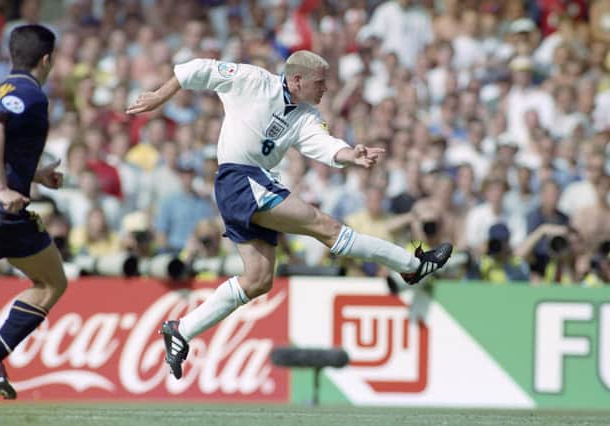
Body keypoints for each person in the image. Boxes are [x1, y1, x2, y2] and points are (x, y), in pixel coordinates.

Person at [127, 50, 453, 380]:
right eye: (320, 83)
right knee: (325, 225)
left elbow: (323, 145)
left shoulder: (306, 115)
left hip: (250, 184)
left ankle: (182, 329)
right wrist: (159, 95)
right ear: (296, 80)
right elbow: (198, 69)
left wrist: (350, 155)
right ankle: (411, 266)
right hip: (241, 179)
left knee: (258, 279)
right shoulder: (253, 81)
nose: (325, 89)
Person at [0, 25, 68, 400]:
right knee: (51, 283)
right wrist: (1, 188)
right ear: (47, 59)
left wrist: (37, 174)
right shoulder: (30, 92)